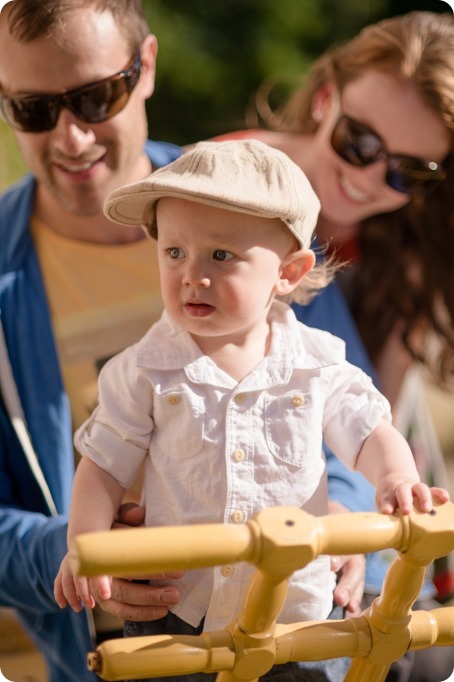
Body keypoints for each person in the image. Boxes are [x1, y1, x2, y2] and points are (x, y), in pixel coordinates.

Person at [54, 139, 449, 682]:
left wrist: (397, 477)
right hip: (182, 613)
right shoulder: (144, 370)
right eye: (174, 252)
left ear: (288, 273)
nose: (193, 274)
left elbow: (367, 430)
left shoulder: (315, 363)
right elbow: (101, 469)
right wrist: (84, 546)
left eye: (221, 256)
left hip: (300, 615)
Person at [212, 11, 454, 681]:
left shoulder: (401, 254)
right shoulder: (227, 188)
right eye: (358, 141)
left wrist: (360, 510)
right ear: (324, 100)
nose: (372, 180)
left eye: (411, 172)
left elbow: (380, 412)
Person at [0, 2, 184, 680]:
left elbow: (346, 405)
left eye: (95, 97)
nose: (71, 139)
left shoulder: (253, 205)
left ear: (149, 68)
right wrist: (79, 550)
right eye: (33, 111)